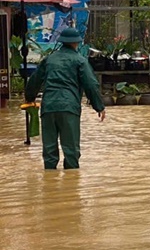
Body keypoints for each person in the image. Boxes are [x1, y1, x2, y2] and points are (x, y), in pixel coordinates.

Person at [24, 26, 105, 170]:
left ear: (62, 42)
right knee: (71, 150)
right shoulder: (80, 61)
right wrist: (99, 106)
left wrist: (29, 98)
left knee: (49, 151)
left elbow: (34, 80)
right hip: (69, 108)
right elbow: (91, 84)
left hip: (48, 107)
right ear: (76, 43)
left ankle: (49, 183)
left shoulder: (49, 59)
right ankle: (71, 185)